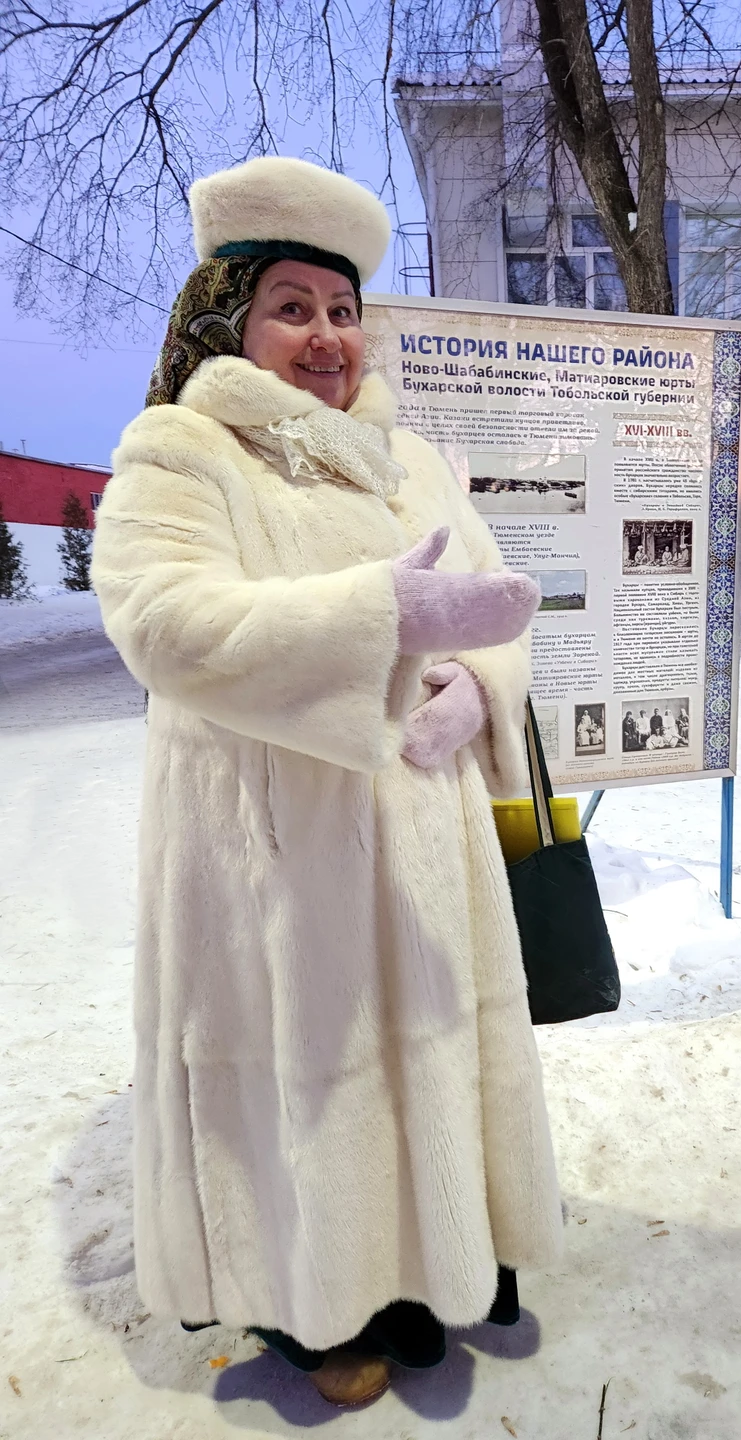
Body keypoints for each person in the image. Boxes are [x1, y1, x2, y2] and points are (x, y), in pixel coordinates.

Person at [90, 157, 563, 1409]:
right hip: (275, 857)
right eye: (292, 307)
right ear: (227, 318)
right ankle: (321, 1306)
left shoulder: (413, 463)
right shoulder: (182, 452)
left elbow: (497, 602)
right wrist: (378, 621)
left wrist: (482, 686)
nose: (327, 338)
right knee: (318, 1073)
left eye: (344, 310)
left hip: (426, 845)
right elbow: (165, 622)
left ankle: (442, 1270)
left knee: (426, 1054)